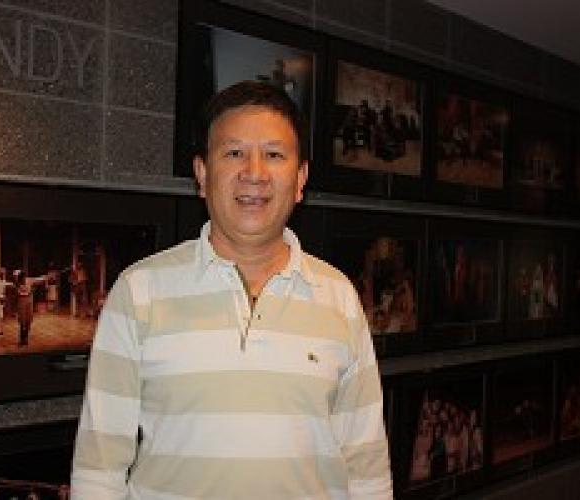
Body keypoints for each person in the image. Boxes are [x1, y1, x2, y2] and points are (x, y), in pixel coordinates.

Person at [71, 81, 393, 499]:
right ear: (202, 175)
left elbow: (366, 463)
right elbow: (99, 466)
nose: (254, 173)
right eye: (234, 153)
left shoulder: (339, 297)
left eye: (274, 155)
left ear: (300, 179)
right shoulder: (138, 291)